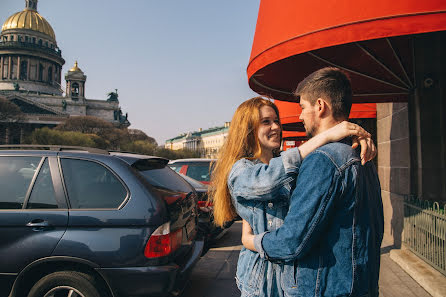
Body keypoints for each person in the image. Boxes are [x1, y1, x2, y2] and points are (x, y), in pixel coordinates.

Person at [211, 96, 376, 297]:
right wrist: (326, 136)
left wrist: (351, 139)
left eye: (276, 121)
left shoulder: (285, 162)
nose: (275, 127)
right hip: (261, 279)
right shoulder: (241, 170)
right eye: (266, 122)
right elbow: (268, 180)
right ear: (247, 128)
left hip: (292, 274)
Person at [242, 68, 384, 297]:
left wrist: (253, 241)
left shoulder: (323, 161)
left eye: (302, 108)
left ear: (320, 106)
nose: (299, 116)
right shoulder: (363, 156)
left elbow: (292, 241)